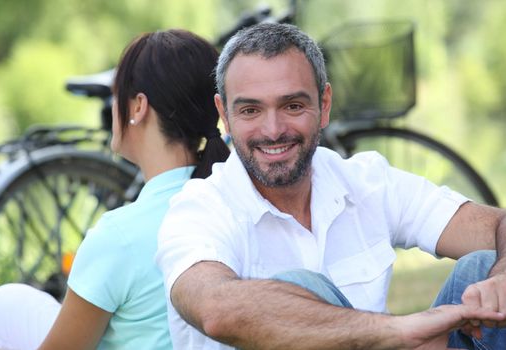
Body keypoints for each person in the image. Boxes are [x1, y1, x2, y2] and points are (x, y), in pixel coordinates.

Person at [155, 22, 506, 349]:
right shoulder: (198, 209)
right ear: (224, 114)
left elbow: (497, 225)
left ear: (324, 106)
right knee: (300, 290)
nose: (273, 130)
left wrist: (501, 278)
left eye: (293, 105)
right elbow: (216, 308)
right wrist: (397, 331)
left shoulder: (367, 180)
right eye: (250, 111)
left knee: (484, 268)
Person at [0, 29, 230, 349]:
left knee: (0, 307)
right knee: (9, 303)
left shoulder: (119, 236)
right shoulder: (234, 201)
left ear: (139, 107)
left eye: (116, 96)